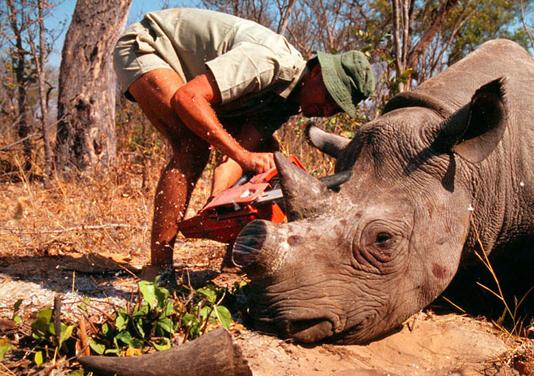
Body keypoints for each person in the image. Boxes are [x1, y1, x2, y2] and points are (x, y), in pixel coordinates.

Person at [113, 8, 375, 280]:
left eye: (337, 108)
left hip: (193, 82)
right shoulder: (269, 62)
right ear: (317, 72)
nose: (328, 110)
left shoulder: (286, 103)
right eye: (331, 97)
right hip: (149, 46)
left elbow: (239, 156)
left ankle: (236, 261)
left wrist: (221, 204)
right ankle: (159, 271)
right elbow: (188, 98)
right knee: (192, 147)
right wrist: (241, 155)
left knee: (269, 156)